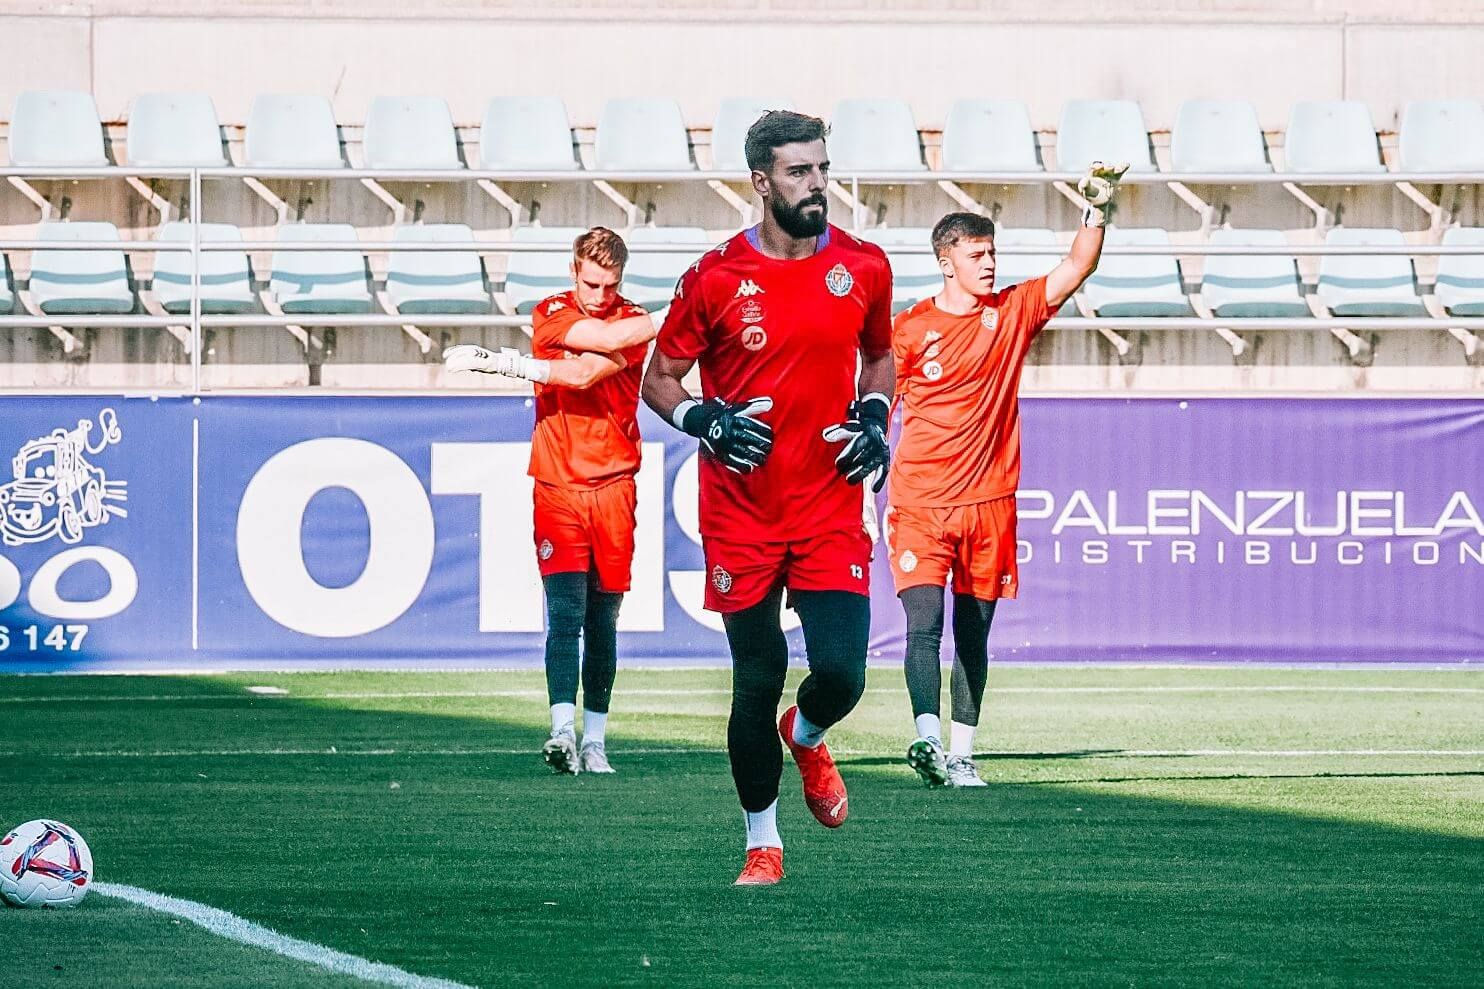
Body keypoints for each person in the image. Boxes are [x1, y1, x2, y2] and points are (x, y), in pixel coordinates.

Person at [641, 110, 894, 886]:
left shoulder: (866, 266)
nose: (817, 184)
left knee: (843, 673)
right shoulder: (714, 277)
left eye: (822, 168)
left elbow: (881, 356)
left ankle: (808, 732)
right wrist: (702, 418)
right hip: (743, 513)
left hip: (829, 506)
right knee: (757, 674)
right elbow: (659, 378)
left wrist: (878, 416)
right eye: (798, 172)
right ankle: (763, 840)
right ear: (760, 181)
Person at [887, 163, 1128, 788]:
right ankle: (928, 741)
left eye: (992, 253)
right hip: (920, 503)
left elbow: (1076, 268)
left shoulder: (1013, 311)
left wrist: (1097, 209)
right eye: (977, 254)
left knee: (974, 633)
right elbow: (875, 400)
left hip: (990, 503)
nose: (989, 264)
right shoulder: (910, 331)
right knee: (923, 625)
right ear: (947, 261)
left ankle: (964, 755)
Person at [444, 226, 656, 775]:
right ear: (573, 271)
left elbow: (588, 369)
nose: (599, 296)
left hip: (615, 486)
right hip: (558, 483)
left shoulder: (631, 321)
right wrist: (660, 320)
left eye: (609, 286)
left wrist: (505, 364)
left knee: (604, 620)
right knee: (565, 614)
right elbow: (581, 362)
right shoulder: (553, 311)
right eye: (591, 283)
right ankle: (562, 730)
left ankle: (596, 740)